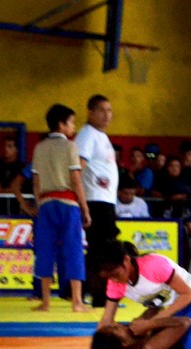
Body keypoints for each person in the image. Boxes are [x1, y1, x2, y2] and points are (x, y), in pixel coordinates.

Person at [29, 103, 91, 313]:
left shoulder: (39, 147)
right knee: (73, 250)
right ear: (61, 124)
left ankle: (46, 302)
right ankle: (76, 301)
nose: (73, 127)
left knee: (44, 250)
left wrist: (39, 204)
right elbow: (75, 180)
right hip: (68, 204)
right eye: (71, 122)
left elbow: (35, 182)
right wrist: (85, 208)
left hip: (46, 204)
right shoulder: (70, 147)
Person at [74, 94, 120, 308]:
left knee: (99, 250)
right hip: (96, 201)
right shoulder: (87, 135)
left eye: (110, 110)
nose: (107, 115)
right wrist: (83, 204)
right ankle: (100, 296)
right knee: (103, 251)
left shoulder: (101, 136)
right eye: (102, 110)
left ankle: (80, 290)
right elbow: (77, 168)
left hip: (105, 201)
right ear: (90, 112)